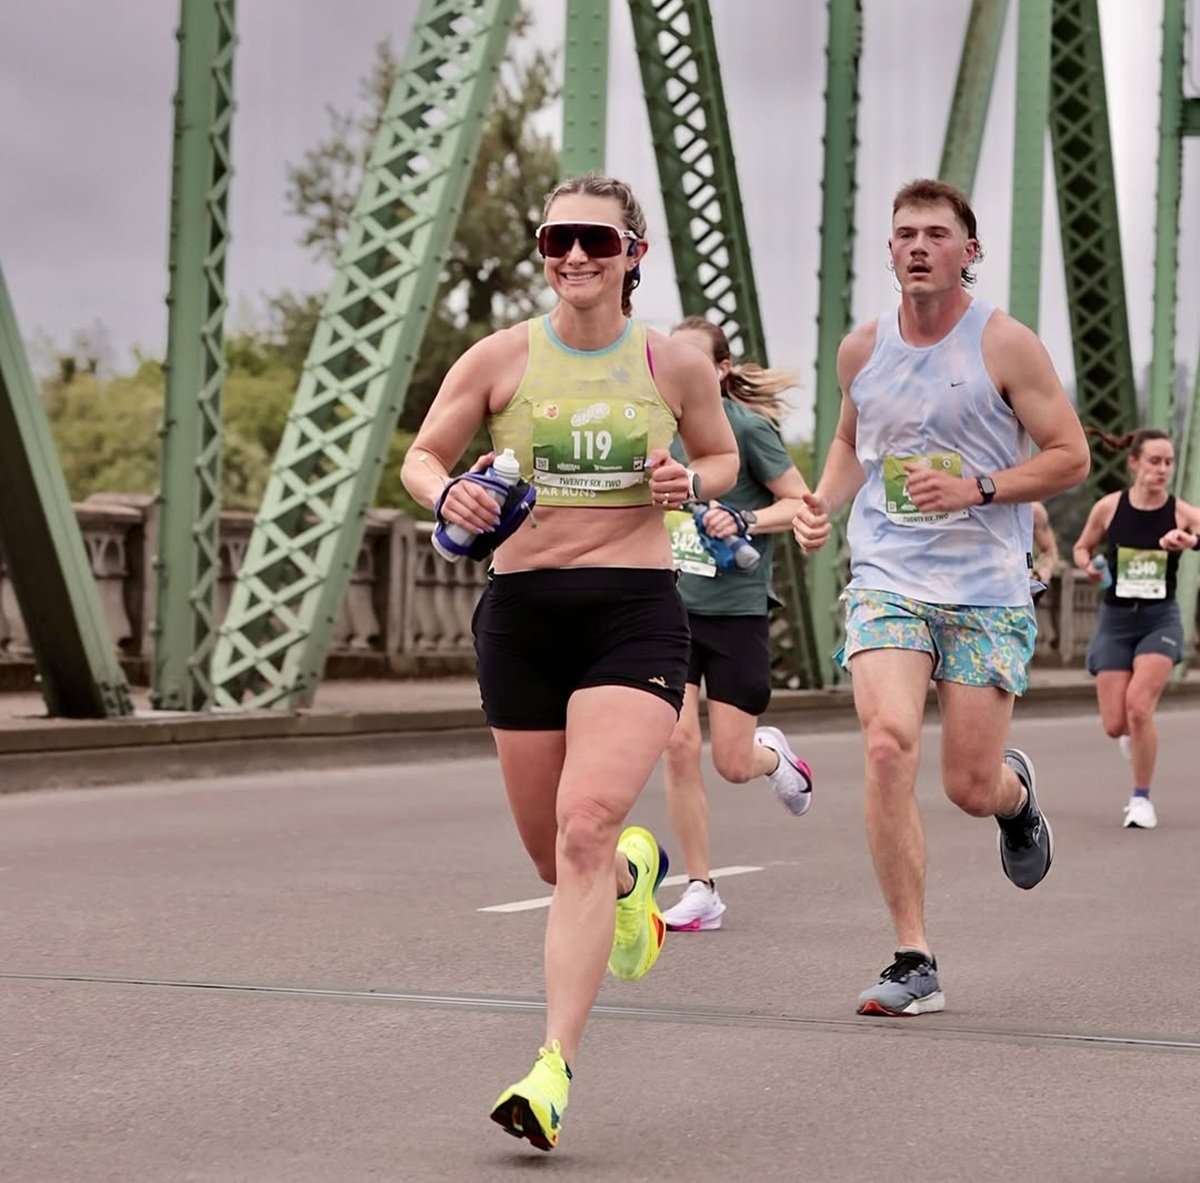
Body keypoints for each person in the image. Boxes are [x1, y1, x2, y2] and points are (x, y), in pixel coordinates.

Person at [400, 173, 738, 1151]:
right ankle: (637, 882)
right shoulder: (502, 358)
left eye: (596, 239)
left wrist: (687, 477)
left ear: (634, 252)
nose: (575, 257)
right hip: (522, 618)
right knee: (558, 859)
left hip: (633, 617)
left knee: (585, 825)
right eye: (556, 240)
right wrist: (449, 492)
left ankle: (551, 1068)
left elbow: (718, 462)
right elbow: (424, 455)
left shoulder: (672, 364)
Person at [792, 177, 1090, 1017]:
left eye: (935, 232)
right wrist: (822, 499)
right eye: (904, 234)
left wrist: (983, 487)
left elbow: (1069, 456)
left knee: (966, 783)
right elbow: (854, 440)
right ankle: (912, 956)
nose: (917, 245)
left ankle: (1014, 795)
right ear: (890, 252)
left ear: (970, 249)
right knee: (887, 745)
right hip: (889, 575)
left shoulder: (1006, 345)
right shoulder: (863, 350)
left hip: (987, 588)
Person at [657, 317, 815, 933]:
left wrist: (744, 521)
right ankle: (702, 889)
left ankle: (773, 758)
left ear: (720, 370)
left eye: (695, 362)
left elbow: (797, 501)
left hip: (736, 613)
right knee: (675, 745)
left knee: (730, 761)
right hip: (667, 608)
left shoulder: (746, 428)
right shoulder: (655, 429)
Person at [1071, 427, 1200, 830]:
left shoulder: (1182, 512)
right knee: (1115, 724)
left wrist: (1190, 542)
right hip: (1115, 620)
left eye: (1168, 462)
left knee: (1140, 707)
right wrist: (1088, 569)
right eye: (1154, 461)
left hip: (1159, 619)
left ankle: (1141, 800)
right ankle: (1131, 733)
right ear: (1134, 463)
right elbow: (1080, 548)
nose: (1162, 470)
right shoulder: (1109, 507)